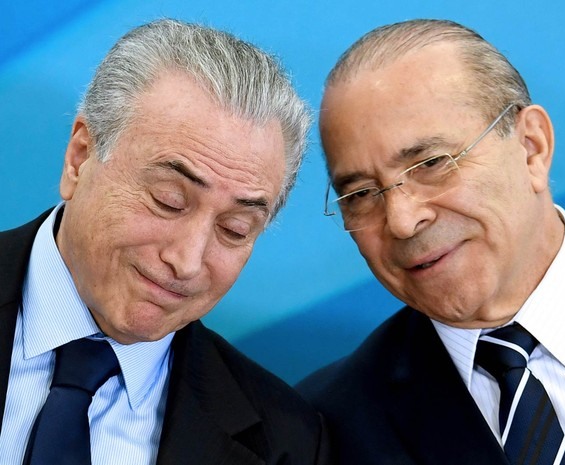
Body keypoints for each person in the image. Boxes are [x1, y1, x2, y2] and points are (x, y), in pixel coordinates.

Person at [0, 19, 330, 465]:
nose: (187, 261)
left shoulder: (288, 442)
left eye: (234, 229)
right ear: (80, 158)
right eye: (168, 201)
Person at [297, 18, 565, 465]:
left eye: (431, 163)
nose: (403, 221)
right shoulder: (326, 429)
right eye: (362, 195)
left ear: (531, 148)